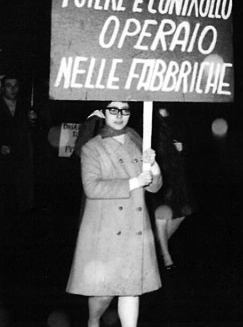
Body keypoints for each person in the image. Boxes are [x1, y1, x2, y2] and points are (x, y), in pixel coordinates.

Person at [66, 101, 163, 327]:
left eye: (125, 110)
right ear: (104, 113)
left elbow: (154, 187)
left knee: (131, 290)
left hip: (134, 226)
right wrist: (133, 182)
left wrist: (154, 166)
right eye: (113, 110)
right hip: (105, 229)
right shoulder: (92, 148)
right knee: (103, 292)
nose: (119, 115)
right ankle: (93, 320)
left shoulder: (138, 141)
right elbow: (92, 188)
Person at [150, 105, 197, 271]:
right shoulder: (149, 119)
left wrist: (180, 147)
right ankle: (166, 256)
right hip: (159, 172)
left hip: (176, 174)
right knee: (162, 216)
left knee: (180, 214)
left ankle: (154, 247)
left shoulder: (175, 116)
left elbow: (183, 141)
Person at [0, 72, 38, 213]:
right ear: (2, 88)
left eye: (16, 85)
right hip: (2, 161)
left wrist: (32, 120)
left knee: (20, 202)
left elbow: (34, 132)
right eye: (9, 85)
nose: (13, 89)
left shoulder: (26, 105)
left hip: (21, 159)